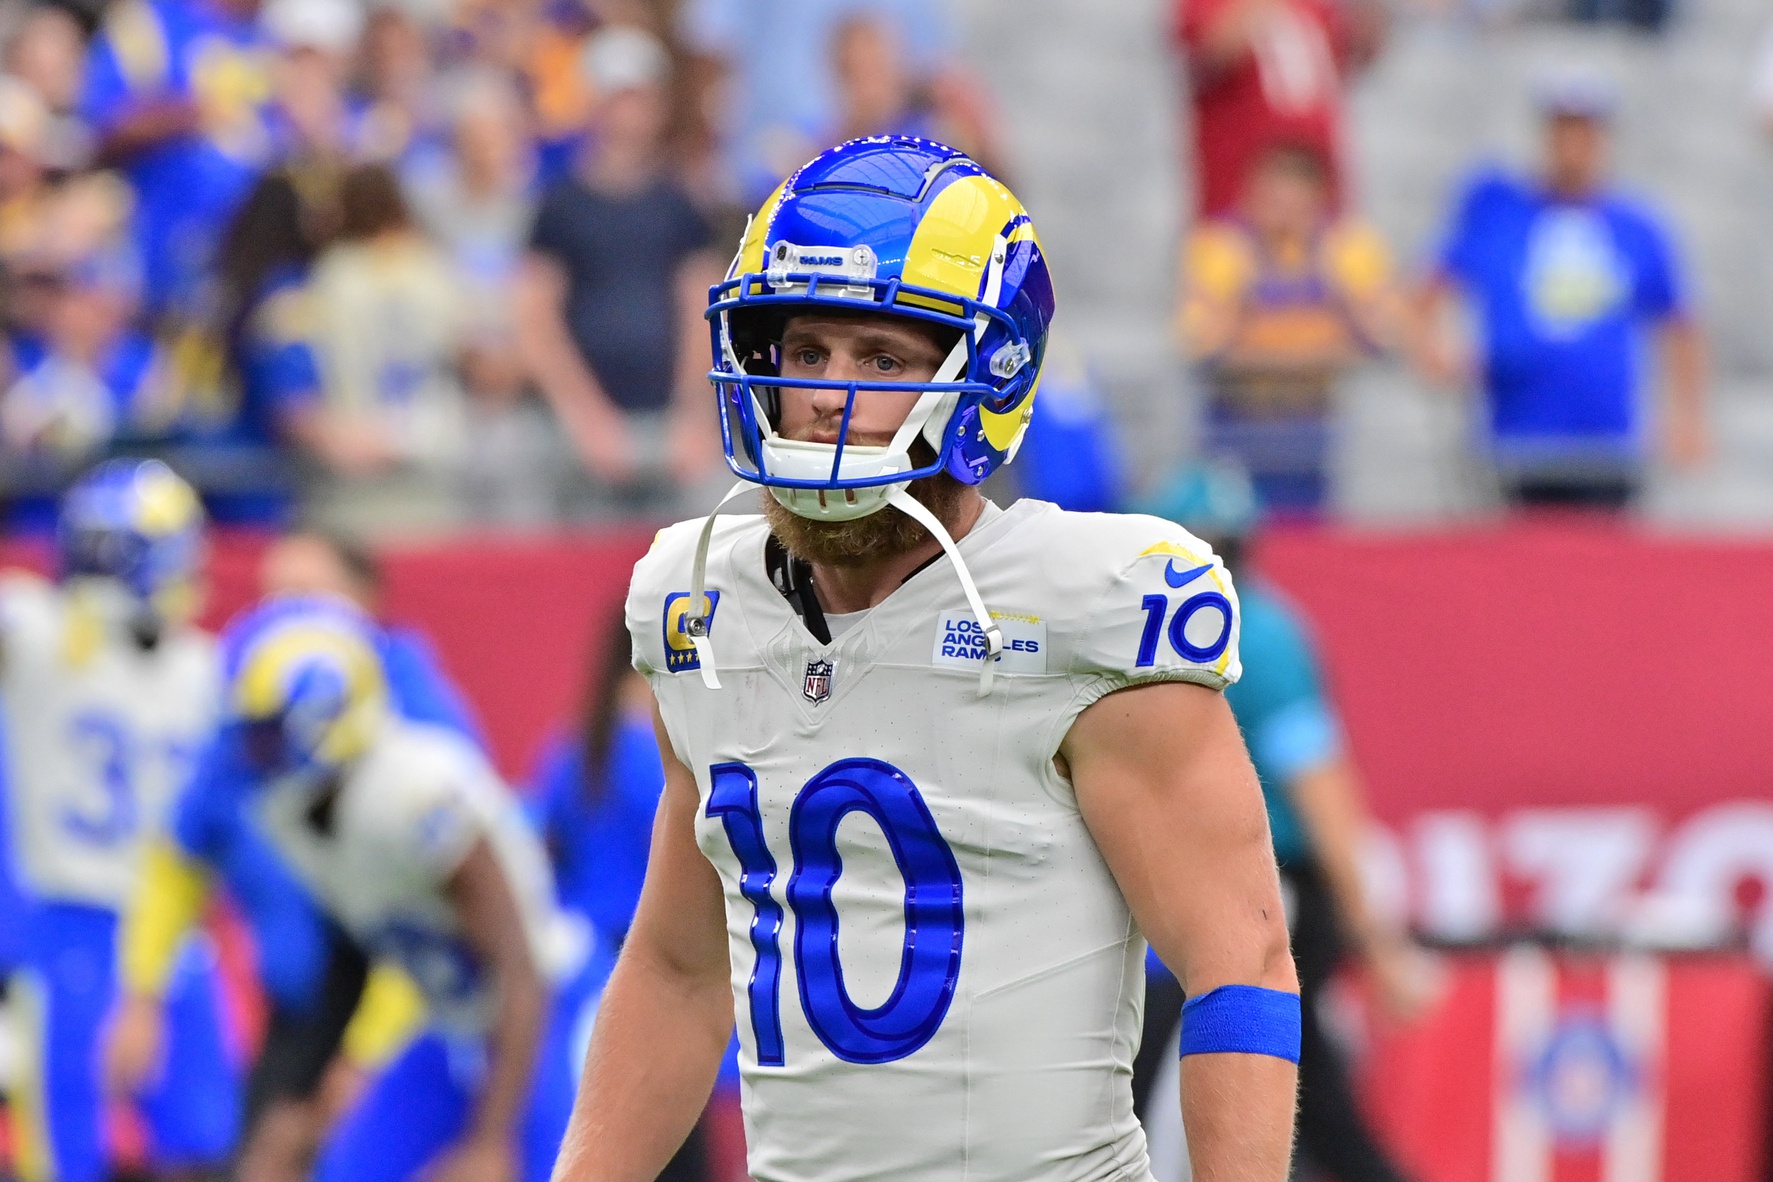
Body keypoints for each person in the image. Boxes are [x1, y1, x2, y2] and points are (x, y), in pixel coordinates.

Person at [551, 135, 1299, 1181]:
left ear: (986, 375)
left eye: (882, 358)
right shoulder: (699, 597)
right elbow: (682, 968)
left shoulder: (1083, 606)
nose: (825, 392)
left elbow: (1241, 964)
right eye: (805, 351)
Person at [114, 596, 582, 1182]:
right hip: (447, 1020)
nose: (247, 754)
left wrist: (491, 1140)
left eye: (265, 734)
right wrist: (309, 1101)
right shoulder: (292, 808)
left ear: (322, 723)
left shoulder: (415, 789)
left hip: (541, 1016)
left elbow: (519, 965)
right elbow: (352, 951)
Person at [1132, 461, 1435, 1182]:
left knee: (1150, 1067)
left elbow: (1321, 795)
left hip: (1262, 888)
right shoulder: (1245, 624)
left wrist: (1377, 938)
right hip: (1232, 884)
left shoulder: (1250, 635)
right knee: (1313, 1094)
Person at [0, 459, 240, 1182]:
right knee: (66, 1153)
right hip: (72, 922)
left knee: (201, 1150)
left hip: (172, 932)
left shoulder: (206, 665)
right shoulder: (38, 634)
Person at [1415, 75, 1707, 509]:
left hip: (1607, 444)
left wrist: (1686, 416)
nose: (1572, 145)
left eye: (1584, 132)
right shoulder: (1502, 216)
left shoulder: (1637, 227)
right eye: (1562, 131)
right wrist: (1436, 352)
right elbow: (1426, 293)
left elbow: (1678, 323)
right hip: (1515, 441)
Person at [525, 613, 718, 1182]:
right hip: (665, 981)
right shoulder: (673, 759)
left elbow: (527, 846)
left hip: (581, 986)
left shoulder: (574, 749)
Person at [518, 24, 722, 517]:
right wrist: (584, 416)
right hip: (579, 434)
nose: (627, 113)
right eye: (616, 98)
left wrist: (693, 413)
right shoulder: (559, 205)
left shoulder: (681, 204)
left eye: (639, 99)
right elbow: (535, 315)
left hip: (671, 428)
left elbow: (703, 306)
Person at [1179, 140, 1401, 514]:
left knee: (1307, 536)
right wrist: (1250, 281)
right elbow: (1203, 348)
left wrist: (1332, 283)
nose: (1281, 221)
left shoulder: (1345, 249)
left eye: (1294, 207)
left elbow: (1383, 339)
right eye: (1269, 204)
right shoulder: (1220, 248)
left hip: (1311, 428)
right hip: (1237, 424)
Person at [1172, 0, 1384, 218]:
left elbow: (1354, 50)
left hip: (1317, 186)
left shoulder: (1317, 8)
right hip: (1241, 192)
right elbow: (1209, 48)